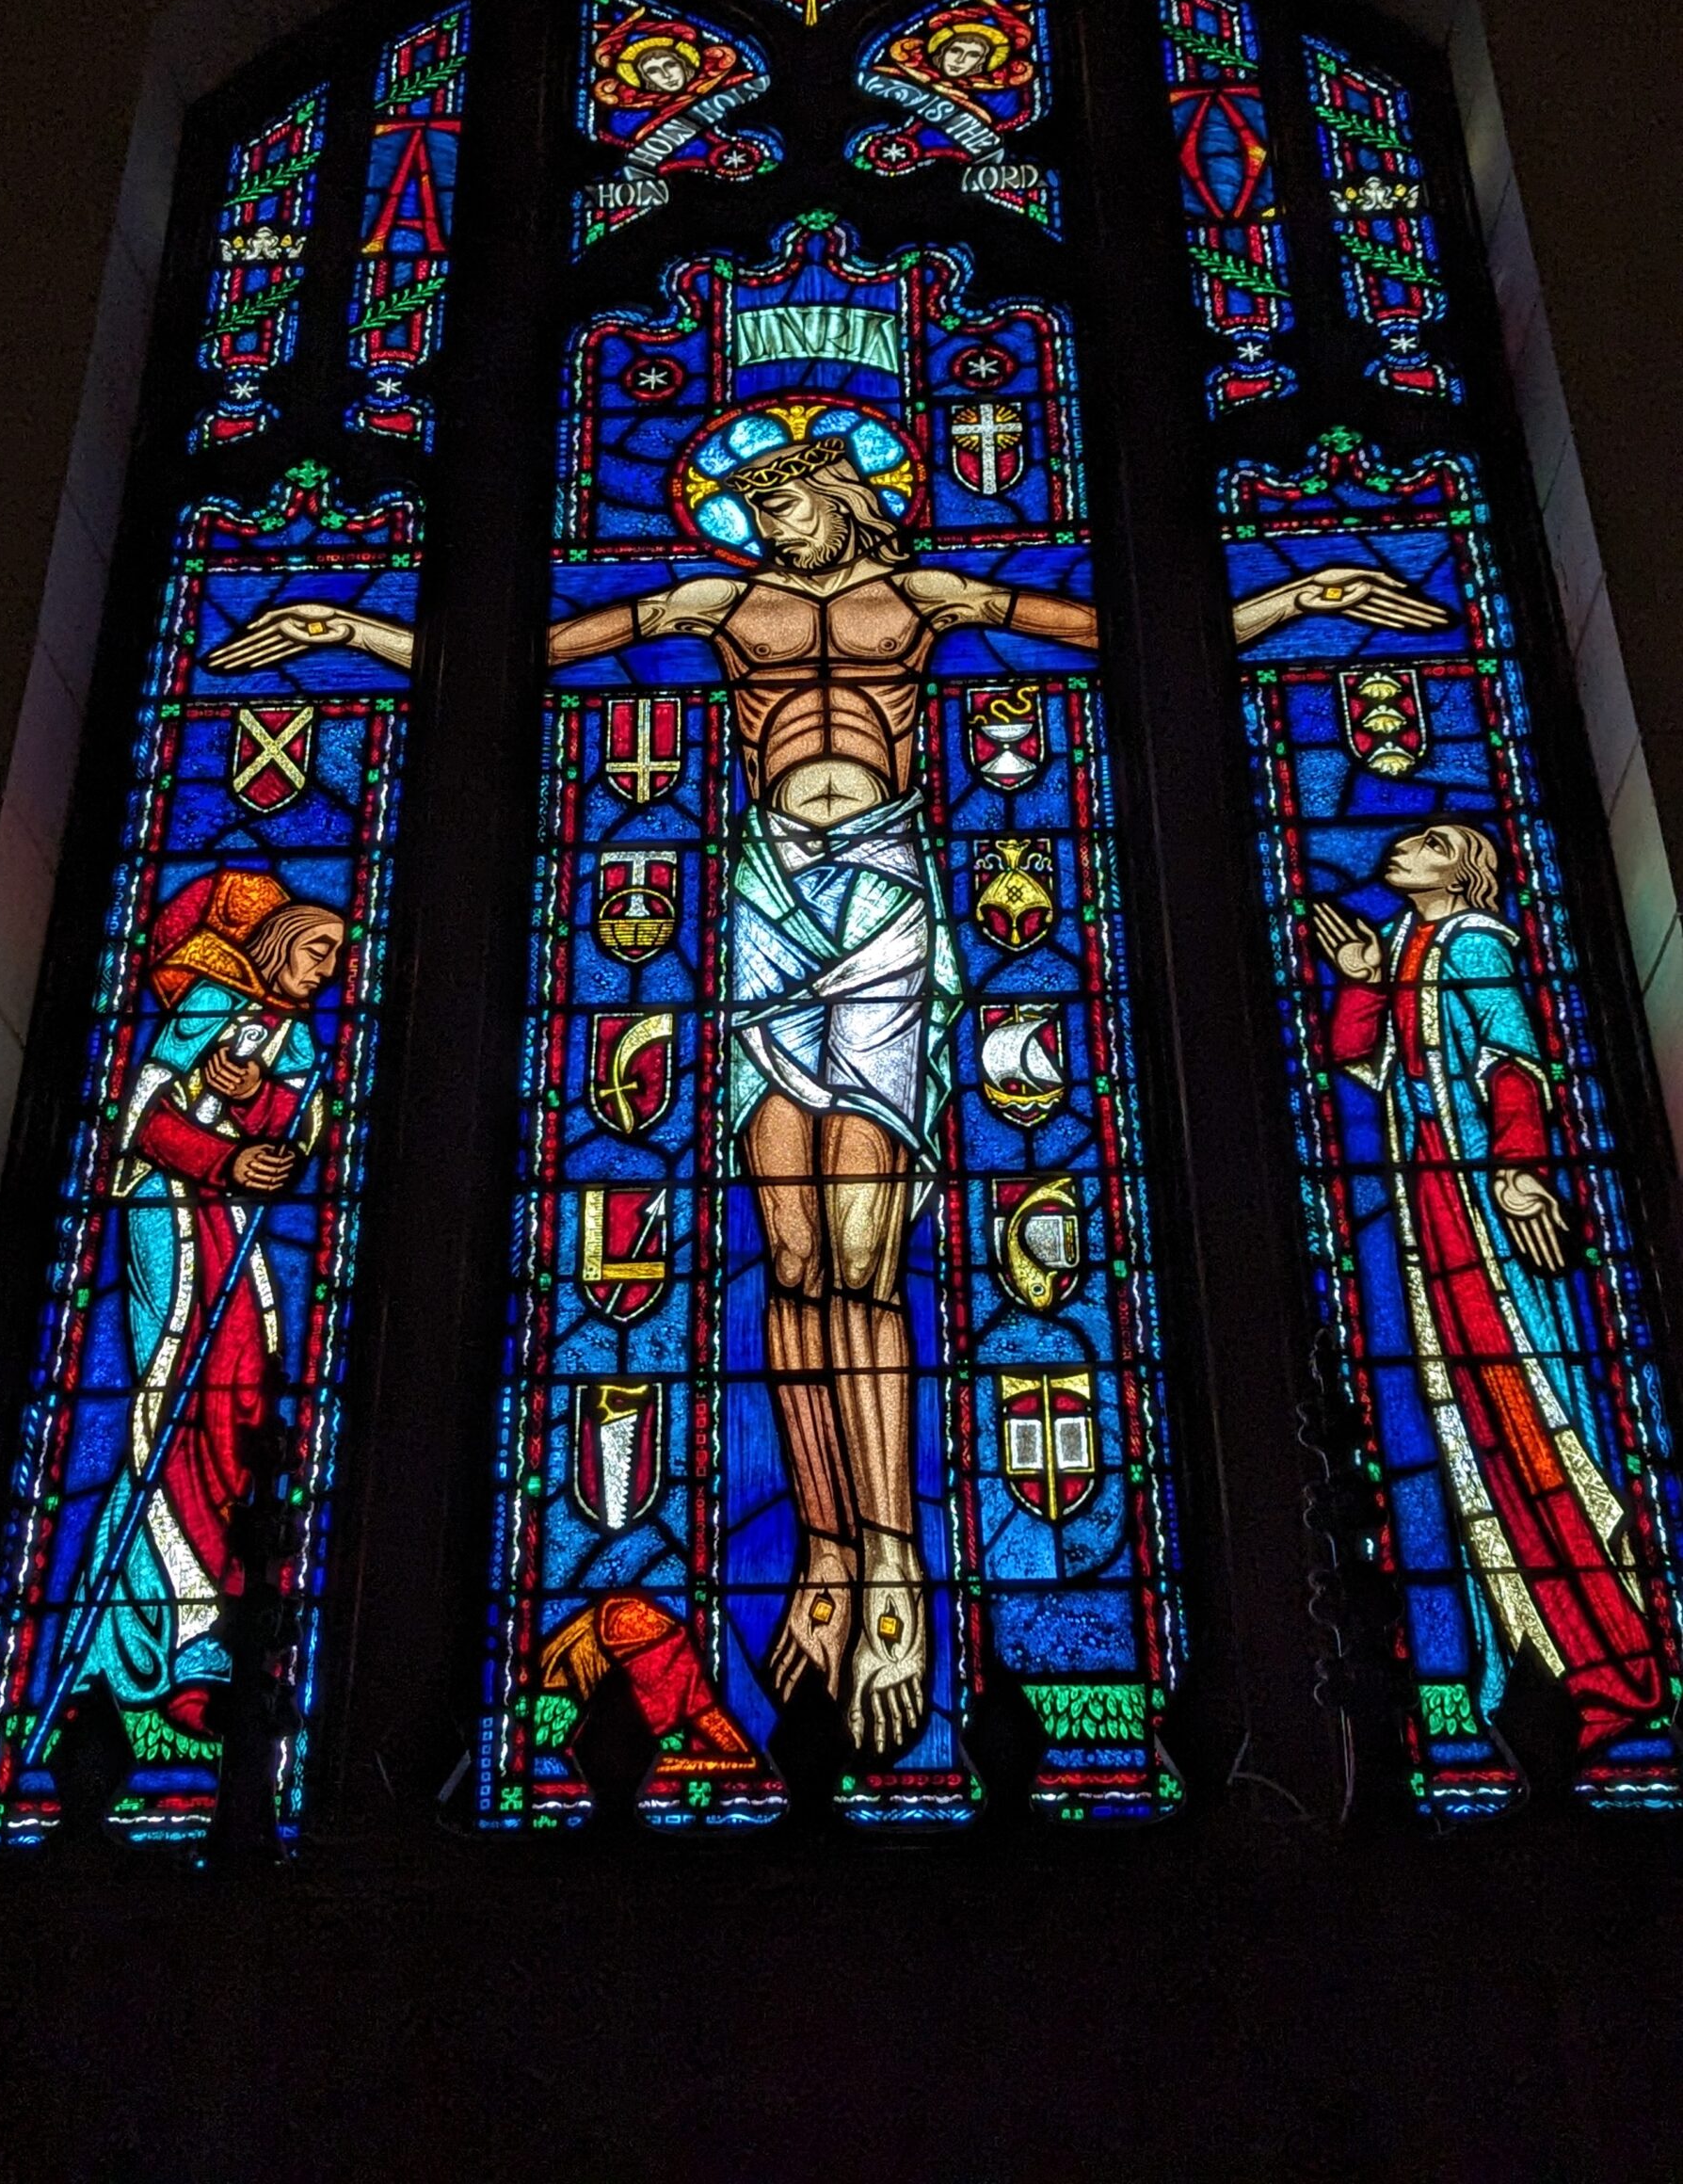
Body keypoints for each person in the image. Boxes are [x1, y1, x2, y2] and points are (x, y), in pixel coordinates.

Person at [216, 424, 1441, 1758]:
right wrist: (347, 623)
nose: (765, 523)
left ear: (840, 496)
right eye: (749, 503)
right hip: (764, 893)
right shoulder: (719, 604)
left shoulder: (919, 596)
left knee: (863, 1254)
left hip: (880, 889)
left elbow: (1119, 632)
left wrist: (1305, 596)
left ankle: (898, 1559)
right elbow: (524, 653)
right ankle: (824, 1548)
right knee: (791, 1261)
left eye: (782, 500)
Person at [1314, 825, 1661, 1753]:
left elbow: (1510, 1064)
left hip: (1477, 1202)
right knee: (1466, 1425)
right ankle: (1525, 1653)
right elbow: (1366, 1062)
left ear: (1462, 873)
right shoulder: (1404, 946)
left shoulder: (1474, 945)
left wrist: (1516, 1167)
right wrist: (1361, 976)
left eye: (1428, 843)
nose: (1402, 849)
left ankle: (1608, 1656)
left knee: (1519, 1403)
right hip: (1430, 1192)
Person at [76, 868, 340, 1742]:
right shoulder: (208, 1007)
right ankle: (164, 1641)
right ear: (273, 946)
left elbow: (297, 1125)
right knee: (174, 1396)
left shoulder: (294, 1035)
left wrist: (254, 1111)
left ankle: (215, 1633)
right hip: (172, 1220)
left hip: (231, 1229)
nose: (329, 969)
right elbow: (145, 1117)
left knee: (241, 1402)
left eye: (338, 956)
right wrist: (224, 1153)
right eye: (316, 949)